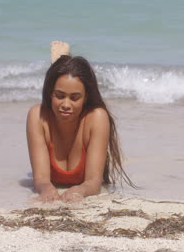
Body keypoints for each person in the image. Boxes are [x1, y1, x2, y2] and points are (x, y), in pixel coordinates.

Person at [26, 55, 134, 203]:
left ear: (86, 98)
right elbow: (40, 179)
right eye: (59, 95)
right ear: (50, 93)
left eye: (74, 98)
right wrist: (46, 189)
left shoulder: (96, 118)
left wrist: (79, 191)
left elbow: (94, 183)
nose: (66, 104)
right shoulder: (38, 116)